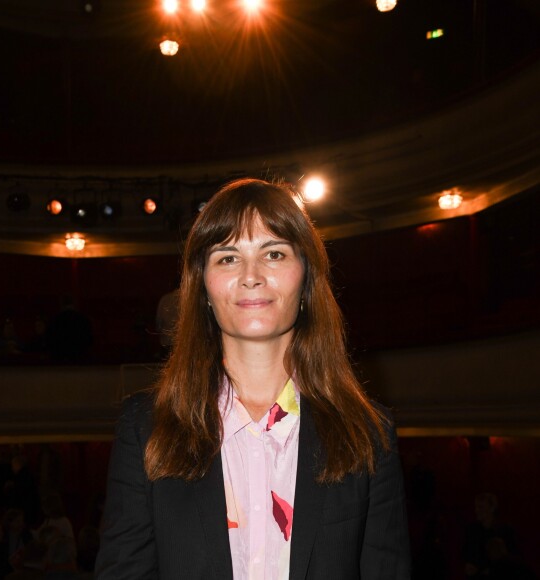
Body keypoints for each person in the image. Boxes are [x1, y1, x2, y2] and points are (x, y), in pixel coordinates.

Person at [96, 178, 410, 579]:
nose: (251, 275)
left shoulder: (368, 434)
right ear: (203, 289)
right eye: (227, 257)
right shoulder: (145, 428)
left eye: (274, 253)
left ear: (307, 280)